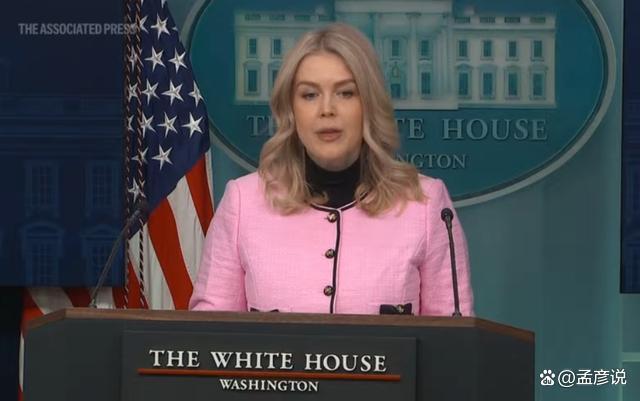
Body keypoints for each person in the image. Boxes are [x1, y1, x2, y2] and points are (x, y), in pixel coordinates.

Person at [189, 23, 473, 316]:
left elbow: (454, 336)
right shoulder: (243, 201)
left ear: (369, 104)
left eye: (345, 93)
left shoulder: (425, 203)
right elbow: (209, 332)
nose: (327, 109)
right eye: (310, 95)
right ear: (291, 109)